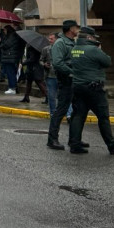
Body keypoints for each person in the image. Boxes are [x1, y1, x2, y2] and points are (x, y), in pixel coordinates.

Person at [67, 30, 114, 155]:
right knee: (103, 117)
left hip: (78, 86)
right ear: (89, 37)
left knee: (78, 115)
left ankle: (74, 144)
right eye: (94, 38)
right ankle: (112, 145)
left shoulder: (74, 49)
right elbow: (107, 62)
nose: (95, 40)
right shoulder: (94, 50)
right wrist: (100, 49)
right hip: (94, 88)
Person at [47, 20, 79, 151]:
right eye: (76, 27)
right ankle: (52, 139)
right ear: (70, 29)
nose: (78, 29)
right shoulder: (61, 43)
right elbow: (58, 63)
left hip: (74, 80)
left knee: (77, 110)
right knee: (61, 110)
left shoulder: (72, 42)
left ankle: (74, 140)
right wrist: (72, 72)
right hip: (66, 80)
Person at [0, 25, 24, 94]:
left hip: (10, 58)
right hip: (9, 57)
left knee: (11, 73)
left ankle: (12, 88)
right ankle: (13, 87)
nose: (4, 32)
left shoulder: (12, 36)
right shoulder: (10, 36)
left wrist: (1, 42)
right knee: (10, 73)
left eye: (4, 30)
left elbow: (5, 45)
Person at [41, 33, 58, 116]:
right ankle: (52, 112)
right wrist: (44, 64)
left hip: (60, 76)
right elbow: (40, 60)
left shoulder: (61, 49)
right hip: (50, 76)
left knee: (64, 96)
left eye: (52, 39)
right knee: (51, 96)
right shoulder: (46, 49)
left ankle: (68, 114)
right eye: (49, 39)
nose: (50, 40)